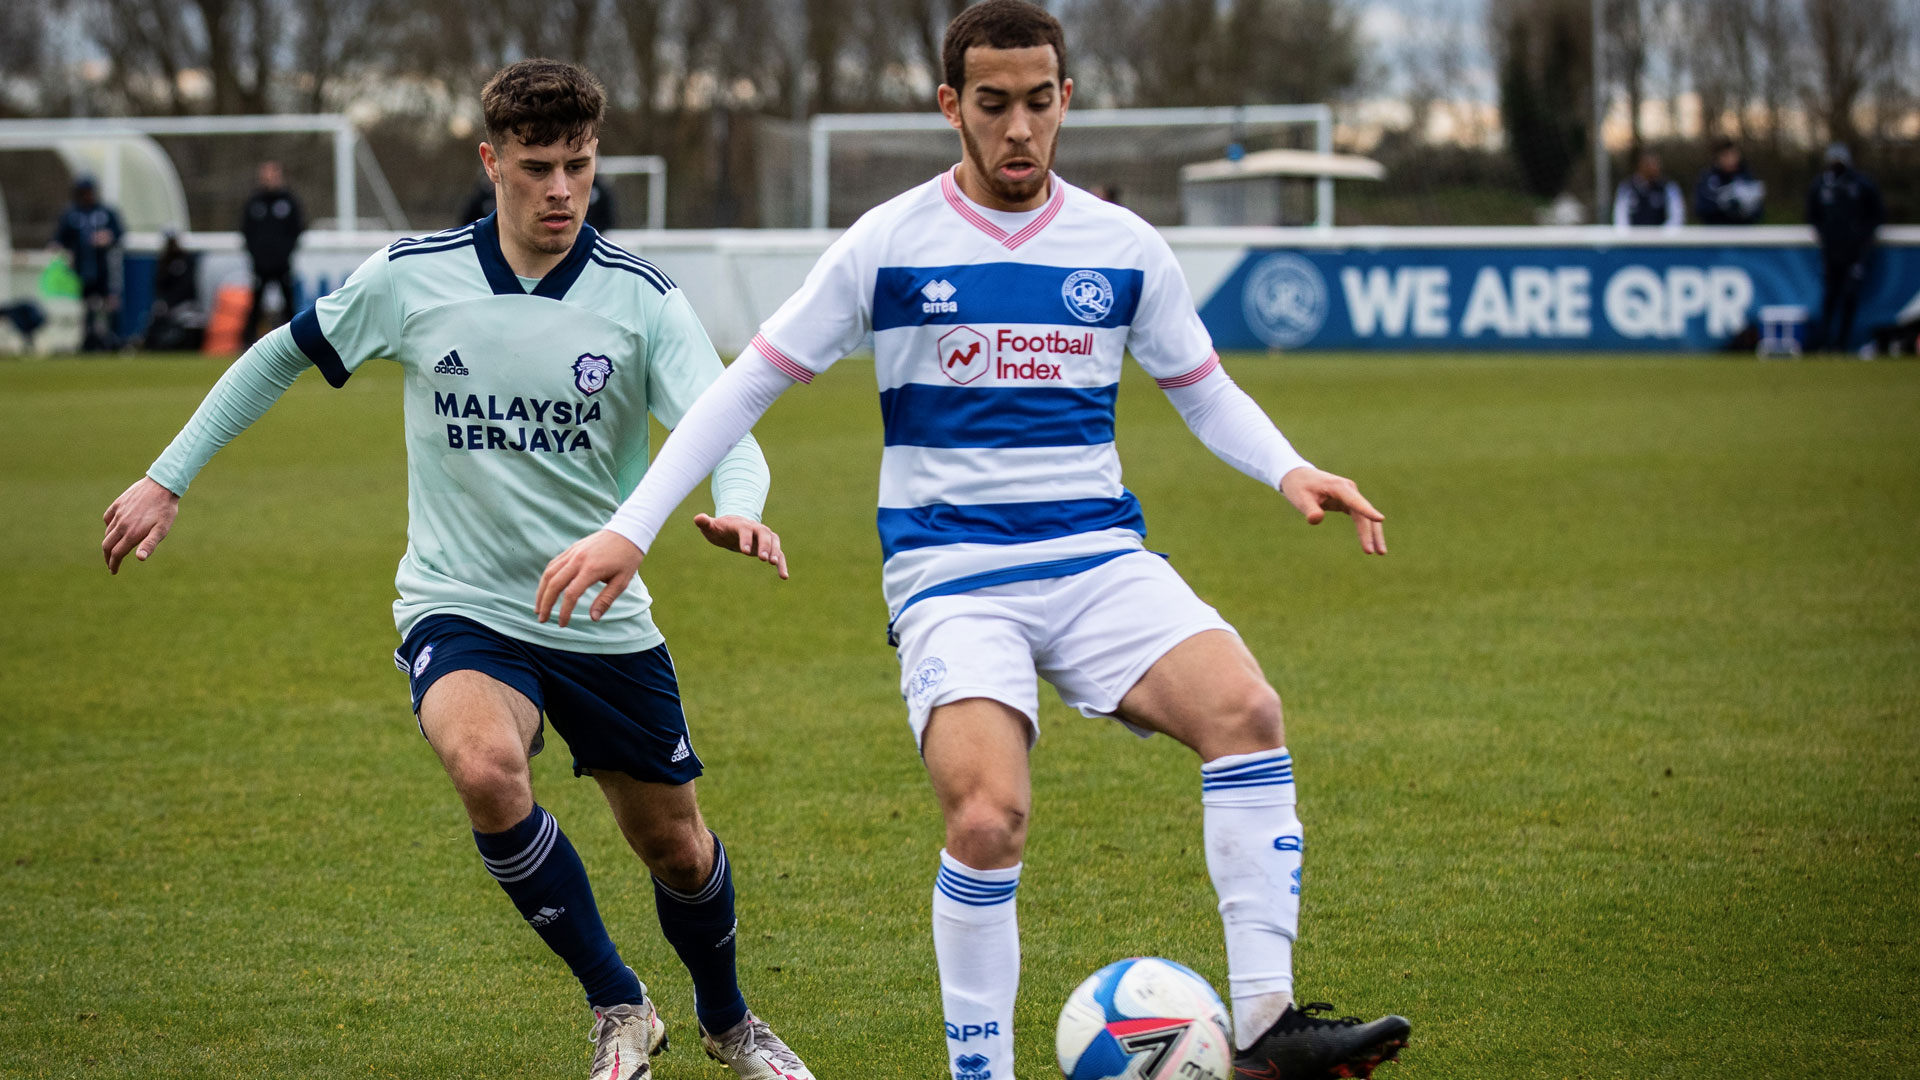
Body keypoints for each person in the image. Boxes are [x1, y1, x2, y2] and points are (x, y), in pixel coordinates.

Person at [535, 4, 1411, 1078]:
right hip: (952, 575)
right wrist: (632, 529)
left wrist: (1292, 468)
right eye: (993, 105)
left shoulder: (1123, 246)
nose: (1019, 130)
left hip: (1099, 559)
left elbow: (1205, 390)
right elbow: (745, 385)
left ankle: (1269, 1025)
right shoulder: (889, 243)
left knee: (1247, 711)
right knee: (989, 817)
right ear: (951, 105)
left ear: (1066, 102)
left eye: (1040, 104)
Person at [100, 59, 813, 1080]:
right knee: (484, 766)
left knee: (680, 850)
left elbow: (727, 429)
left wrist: (740, 508)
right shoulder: (412, 276)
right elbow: (278, 355)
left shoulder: (642, 301)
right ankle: (619, 1003)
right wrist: (167, 478)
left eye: (577, 165)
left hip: (602, 617)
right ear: (491, 163)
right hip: (462, 603)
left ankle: (729, 1021)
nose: (562, 189)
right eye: (537, 168)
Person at [1805, 143, 1884, 353]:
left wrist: (1862, 237)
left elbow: (1876, 214)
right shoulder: (1821, 185)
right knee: (1830, 297)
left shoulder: (1861, 184)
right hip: (1831, 252)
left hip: (1856, 252)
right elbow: (1812, 214)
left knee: (1850, 295)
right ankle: (1825, 341)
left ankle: (1843, 342)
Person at [50, 175, 124, 351]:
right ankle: (89, 341)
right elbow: (59, 238)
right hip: (83, 268)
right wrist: (62, 250)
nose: (87, 196)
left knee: (110, 303)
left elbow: (119, 233)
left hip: (105, 266)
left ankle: (112, 341)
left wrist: (107, 237)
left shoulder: (105, 212)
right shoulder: (71, 214)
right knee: (88, 304)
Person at [240, 161, 306, 345]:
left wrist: (284, 253)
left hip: (282, 264)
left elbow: (297, 229)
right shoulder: (254, 203)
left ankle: (298, 341)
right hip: (260, 265)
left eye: (272, 175)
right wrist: (256, 255)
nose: (268, 179)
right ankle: (246, 343)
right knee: (255, 306)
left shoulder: (289, 202)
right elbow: (247, 232)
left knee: (289, 305)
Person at [145, 228, 205, 352]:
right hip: (167, 305)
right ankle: (153, 347)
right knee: (155, 318)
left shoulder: (186, 261)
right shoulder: (163, 262)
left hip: (185, 304)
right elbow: (160, 286)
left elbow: (187, 287)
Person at [1693, 137, 1764, 225]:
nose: (1731, 159)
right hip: (1715, 233)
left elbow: (1758, 210)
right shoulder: (1708, 179)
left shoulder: (1747, 177)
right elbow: (1701, 208)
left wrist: (1743, 210)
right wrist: (1722, 207)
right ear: (1718, 158)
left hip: (1743, 233)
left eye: (1733, 155)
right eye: (1726, 156)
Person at [1614, 150, 1683, 229]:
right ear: (1640, 165)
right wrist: (1628, 237)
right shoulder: (1627, 187)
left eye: (1656, 164)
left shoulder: (1668, 186)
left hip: (1660, 239)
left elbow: (1676, 216)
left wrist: (1663, 236)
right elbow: (1620, 216)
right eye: (1649, 164)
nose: (1654, 168)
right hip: (1633, 238)